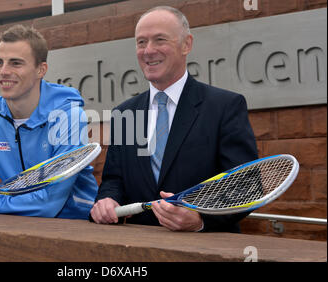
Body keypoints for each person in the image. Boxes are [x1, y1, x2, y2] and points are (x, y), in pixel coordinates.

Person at [90, 6, 258, 232]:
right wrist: (107, 200)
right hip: (138, 248)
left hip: (206, 248)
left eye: (160, 40)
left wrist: (200, 220)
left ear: (186, 44)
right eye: (141, 42)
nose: (148, 50)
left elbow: (246, 187)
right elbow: (114, 180)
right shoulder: (124, 113)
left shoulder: (225, 107)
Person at [0, 24, 98, 219]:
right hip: (15, 225)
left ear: (41, 70)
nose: (3, 71)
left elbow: (48, 203)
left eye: (15, 63)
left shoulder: (68, 117)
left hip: (74, 228)